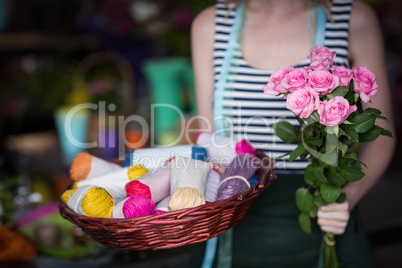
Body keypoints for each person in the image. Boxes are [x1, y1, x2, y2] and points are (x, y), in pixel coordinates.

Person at [190, 0, 395, 267]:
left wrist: (347, 197)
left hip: (326, 213)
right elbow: (208, 137)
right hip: (234, 220)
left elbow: (381, 135)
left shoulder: (351, 18)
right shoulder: (212, 24)